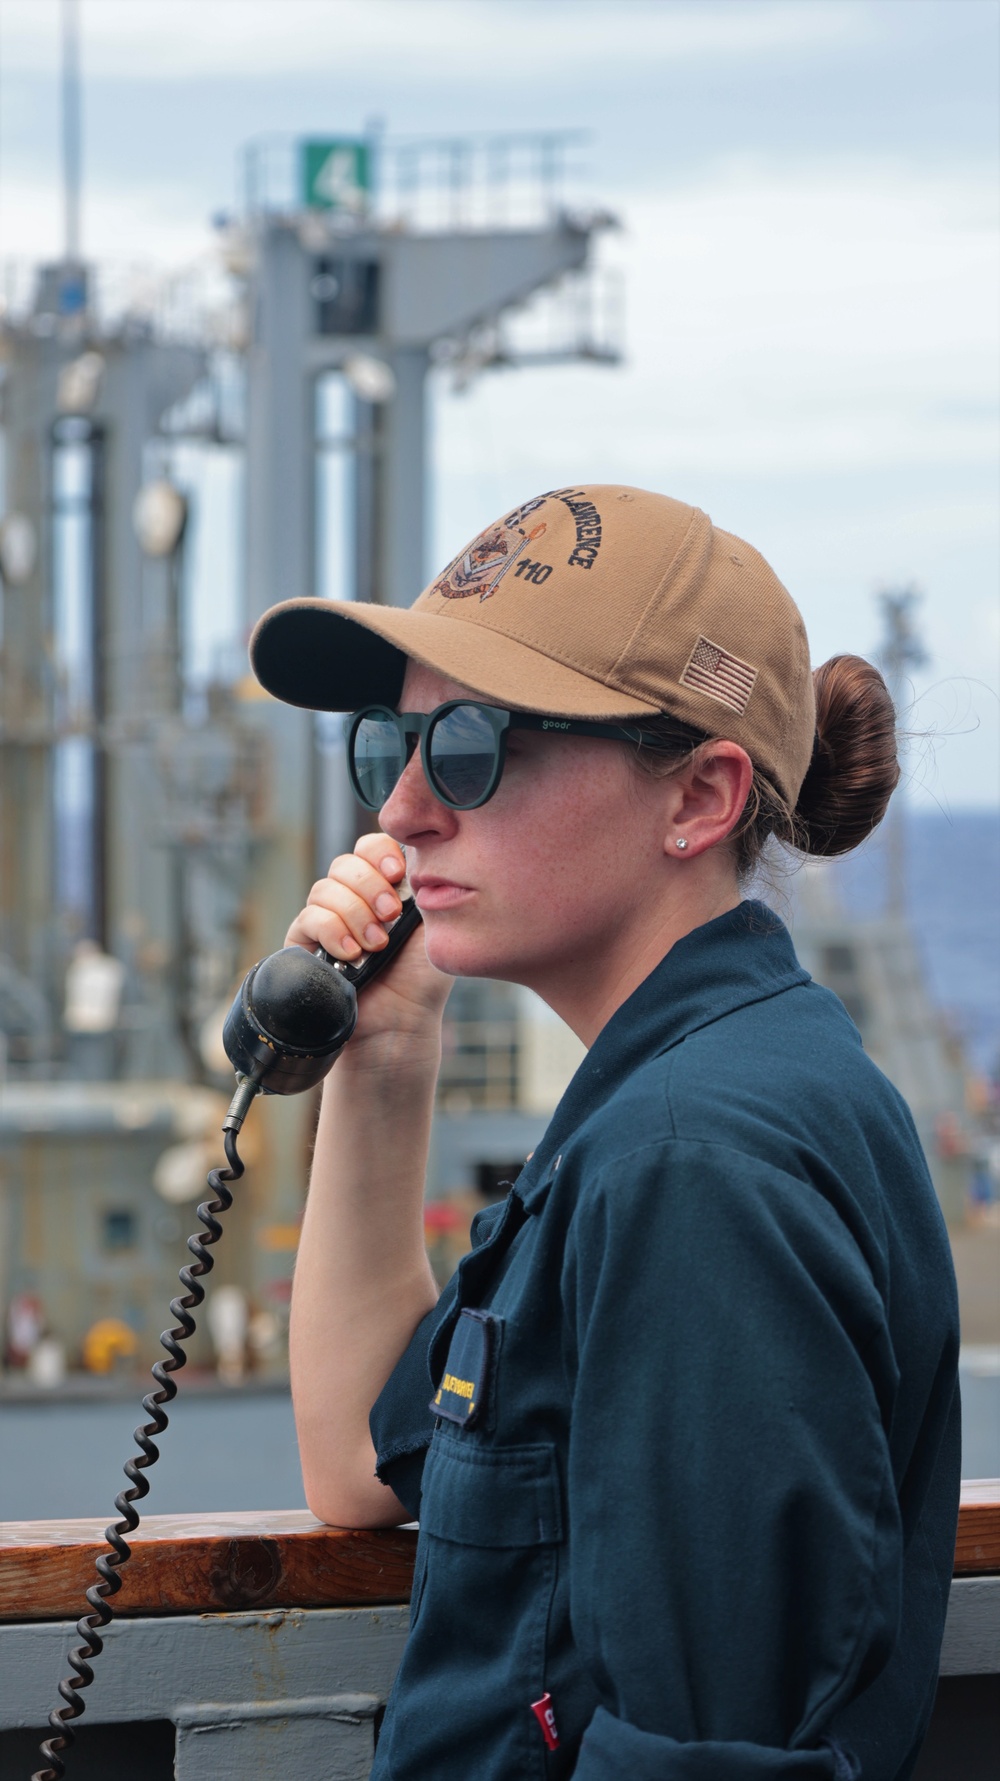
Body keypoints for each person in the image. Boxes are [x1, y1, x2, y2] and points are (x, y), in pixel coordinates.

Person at [250, 487, 960, 1781]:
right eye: (385, 746)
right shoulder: (668, 1106)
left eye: (470, 745)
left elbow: (704, 1754)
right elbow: (362, 1458)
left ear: (698, 796)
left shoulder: (695, 1157)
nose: (401, 810)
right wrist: (390, 1049)